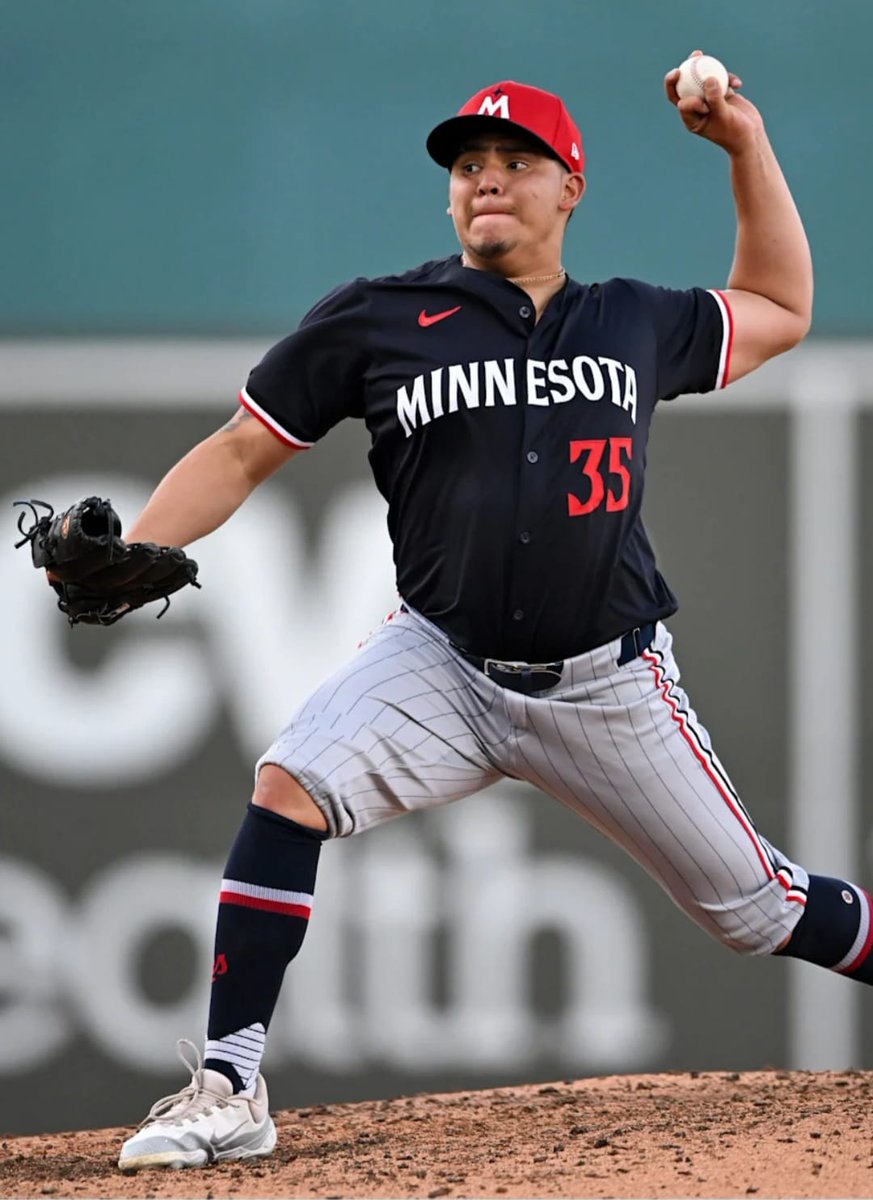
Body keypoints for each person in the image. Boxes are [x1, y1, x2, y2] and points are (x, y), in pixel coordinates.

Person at [116, 55, 861, 1173]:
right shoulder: (380, 320)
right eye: (470, 165)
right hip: (441, 662)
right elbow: (242, 449)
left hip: (609, 682)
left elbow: (781, 307)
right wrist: (137, 550)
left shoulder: (632, 322)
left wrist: (745, 144)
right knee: (289, 784)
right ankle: (229, 1082)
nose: (489, 180)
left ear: (573, 189)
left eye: (520, 162)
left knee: (757, 911)